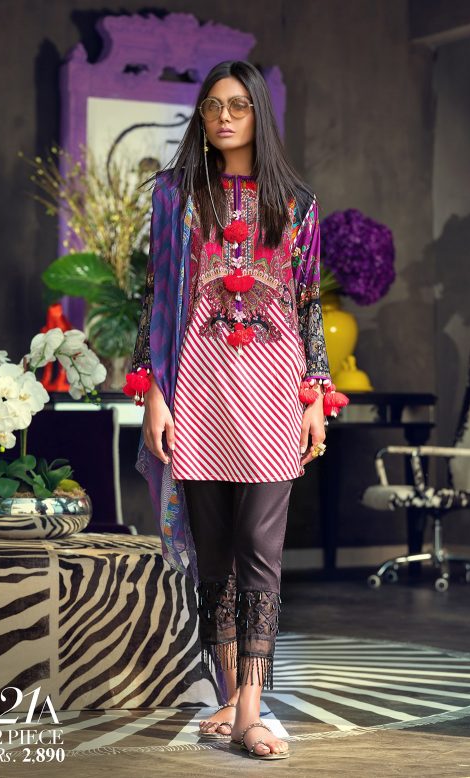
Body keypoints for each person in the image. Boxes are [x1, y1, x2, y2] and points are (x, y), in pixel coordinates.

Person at [128, 59, 342, 760]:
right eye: (213, 105)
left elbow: (308, 305)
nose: (224, 117)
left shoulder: (297, 203)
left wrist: (315, 395)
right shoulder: (175, 196)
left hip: (274, 387)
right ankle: (229, 695)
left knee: (260, 548)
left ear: (259, 115)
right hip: (197, 385)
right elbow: (156, 298)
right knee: (214, 552)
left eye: (239, 105)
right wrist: (155, 392)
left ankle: (251, 711)